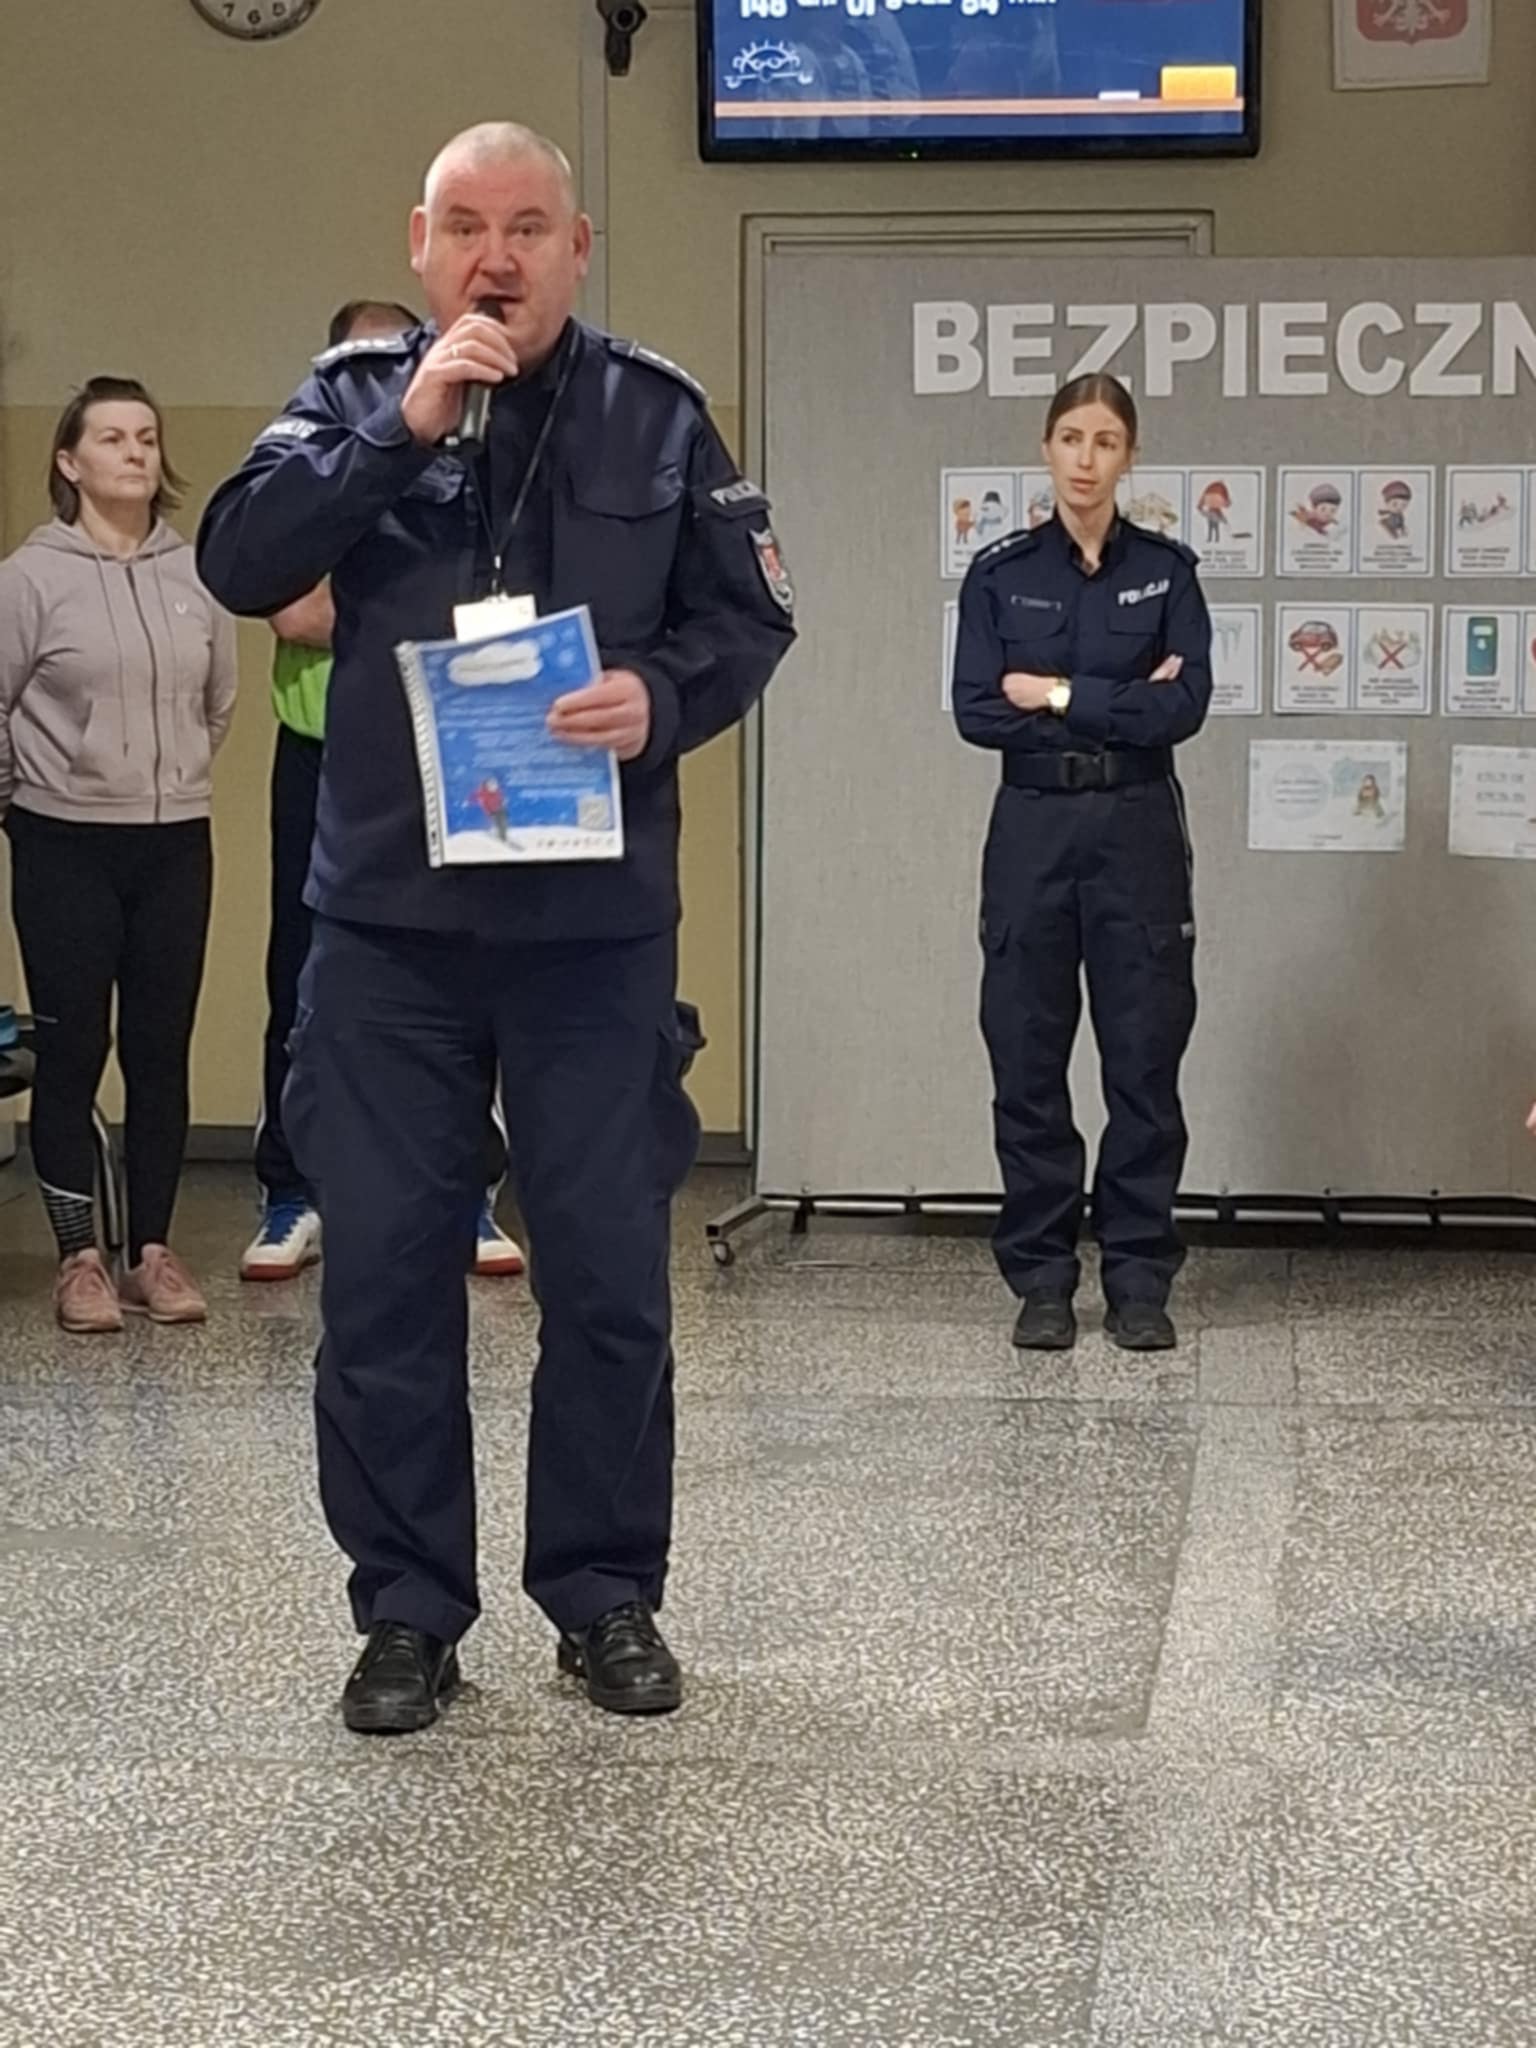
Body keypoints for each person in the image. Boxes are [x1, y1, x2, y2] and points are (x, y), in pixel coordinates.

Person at [197, 122, 795, 1732]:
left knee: (606, 1277)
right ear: (420, 242)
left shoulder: (655, 412)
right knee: (385, 1280)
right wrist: (397, 432)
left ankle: (603, 1595)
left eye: (529, 227)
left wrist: (659, 696)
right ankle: (407, 1610)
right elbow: (239, 556)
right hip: (390, 931)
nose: (497, 257)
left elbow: (753, 615)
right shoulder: (351, 400)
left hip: (591, 933)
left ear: (576, 248)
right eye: (466, 226)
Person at [241, 296, 525, 1284]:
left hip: (451, 753)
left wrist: (371, 598)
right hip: (321, 755)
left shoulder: (459, 462)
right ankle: (291, 1191)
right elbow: (292, 610)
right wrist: (401, 603)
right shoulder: (309, 464)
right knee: (303, 977)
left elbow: (477, 604)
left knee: (465, 970)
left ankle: (469, 1190)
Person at [951, 372, 1212, 1355]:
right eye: (1071, 437)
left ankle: (1139, 1277)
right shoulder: (1001, 574)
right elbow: (980, 710)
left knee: (1144, 1062)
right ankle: (1044, 1278)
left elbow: (1184, 706)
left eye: (1105, 440)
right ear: (1047, 449)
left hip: (1138, 828)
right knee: (1026, 1059)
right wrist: (1120, 697)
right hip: (1034, 828)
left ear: (1129, 455)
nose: (1086, 458)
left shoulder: (1168, 574)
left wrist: (1057, 692)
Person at [0, 378, 237, 1333]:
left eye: (146, 436)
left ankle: (151, 1252)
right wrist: (31, 800)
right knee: (73, 1050)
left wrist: (165, 780)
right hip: (63, 841)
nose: (134, 452)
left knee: (159, 1046)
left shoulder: (197, 575)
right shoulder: (30, 578)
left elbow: (217, 706)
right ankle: (79, 1260)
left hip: (174, 841)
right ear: (70, 462)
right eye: (111, 438)